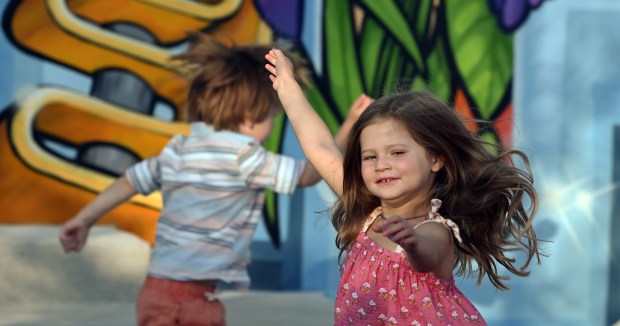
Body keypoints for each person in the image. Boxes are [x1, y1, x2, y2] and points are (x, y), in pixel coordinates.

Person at [58, 32, 373, 326]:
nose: (270, 124)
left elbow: (128, 181)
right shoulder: (245, 156)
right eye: (270, 117)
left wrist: (84, 220)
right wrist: (348, 126)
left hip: (154, 291)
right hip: (191, 300)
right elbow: (308, 174)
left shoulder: (178, 149)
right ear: (251, 116)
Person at [265, 49, 544, 325]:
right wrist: (287, 85)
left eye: (397, 153)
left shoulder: (435, 229)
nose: (381, 164)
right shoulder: (366, 214)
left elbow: (427, 256)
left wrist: (412, 242)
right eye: (370, 156)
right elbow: (320, 146)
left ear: (436, 159)